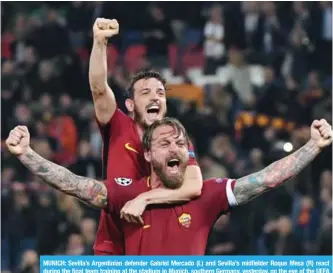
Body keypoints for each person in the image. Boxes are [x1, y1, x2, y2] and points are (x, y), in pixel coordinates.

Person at [6, 118, 332, 254]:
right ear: (147, 154)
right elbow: (75, 185)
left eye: (180, 142)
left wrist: (313, 147)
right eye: (164, 143)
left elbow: (266, 179)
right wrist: (27, 154)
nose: (174, 147)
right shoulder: (126, 191)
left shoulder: (207, 194)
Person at [89, 18, 203, 255]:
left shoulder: (177, 140)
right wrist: (100, 42)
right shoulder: (118, 125)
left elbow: (193, 186)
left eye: (161, 93)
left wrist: (145, 199)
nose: (155, 98)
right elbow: (99, 88)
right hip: (114, 244)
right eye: (146, 93)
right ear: (130, 104)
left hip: (160, 244)